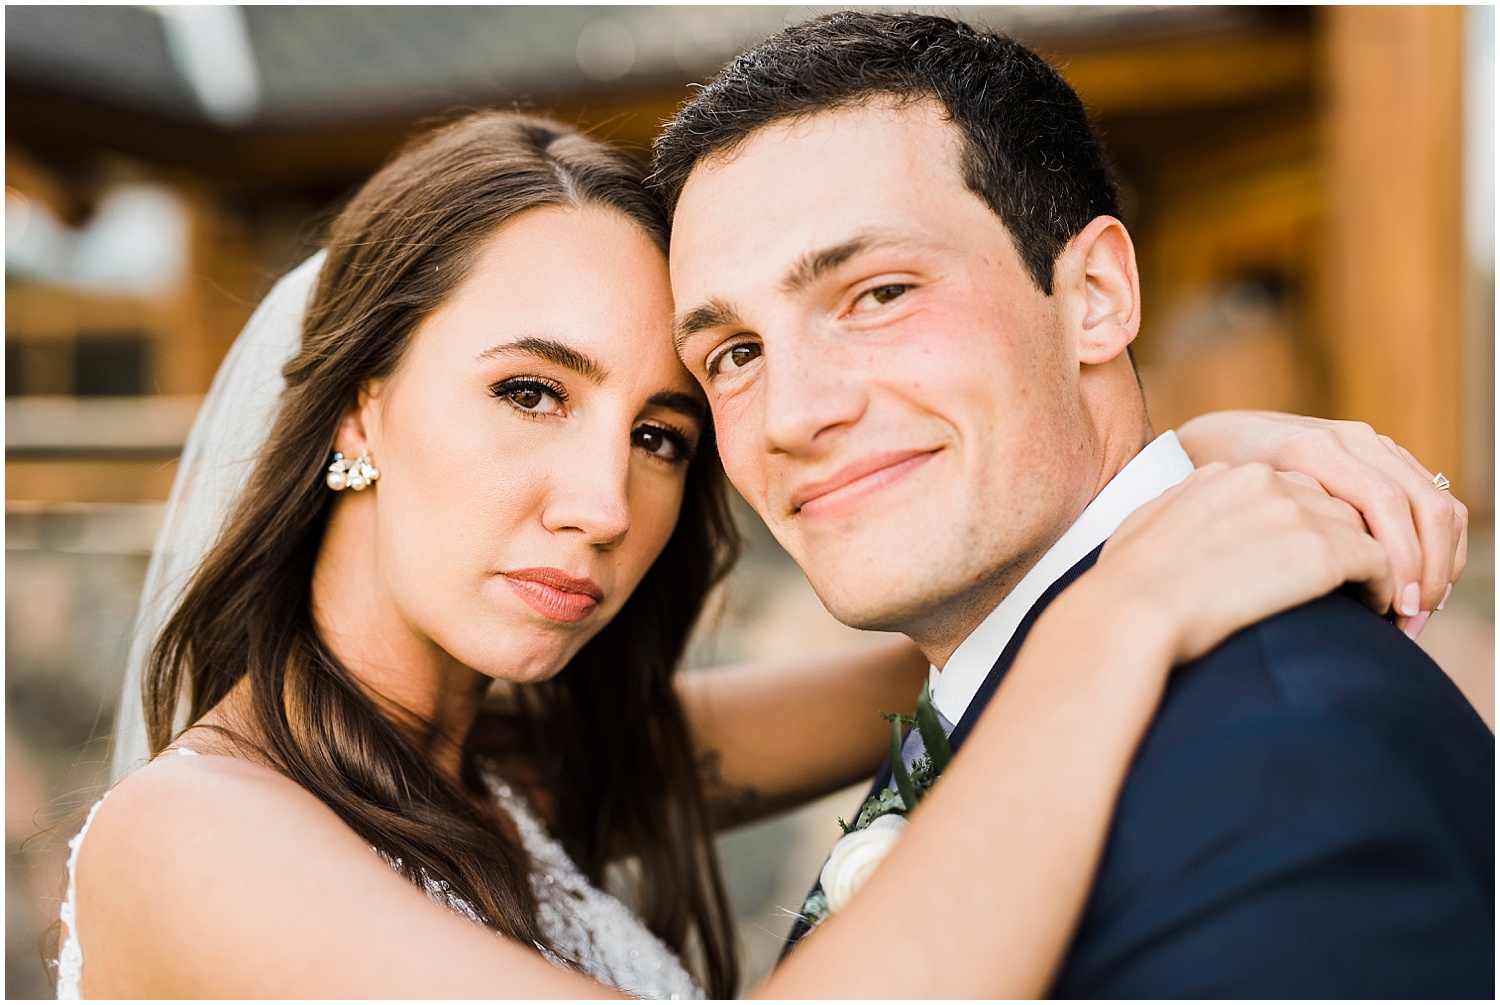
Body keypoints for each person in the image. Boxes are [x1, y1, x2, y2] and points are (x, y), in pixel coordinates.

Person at [60, 111, 1451, 1000]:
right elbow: (1055, 645)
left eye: (663, 432)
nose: (602, 502)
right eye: (531, 393)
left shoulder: (506, 776)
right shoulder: (192, 839)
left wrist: (1178, 456)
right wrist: (1126, 615)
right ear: (362, 401)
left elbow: (962, 653)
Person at [651, 11, 1494, 997]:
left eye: (877, 295)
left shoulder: (1281, 762)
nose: (791, 416)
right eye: (736, 355)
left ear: (1095, 295)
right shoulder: (1008, 677)